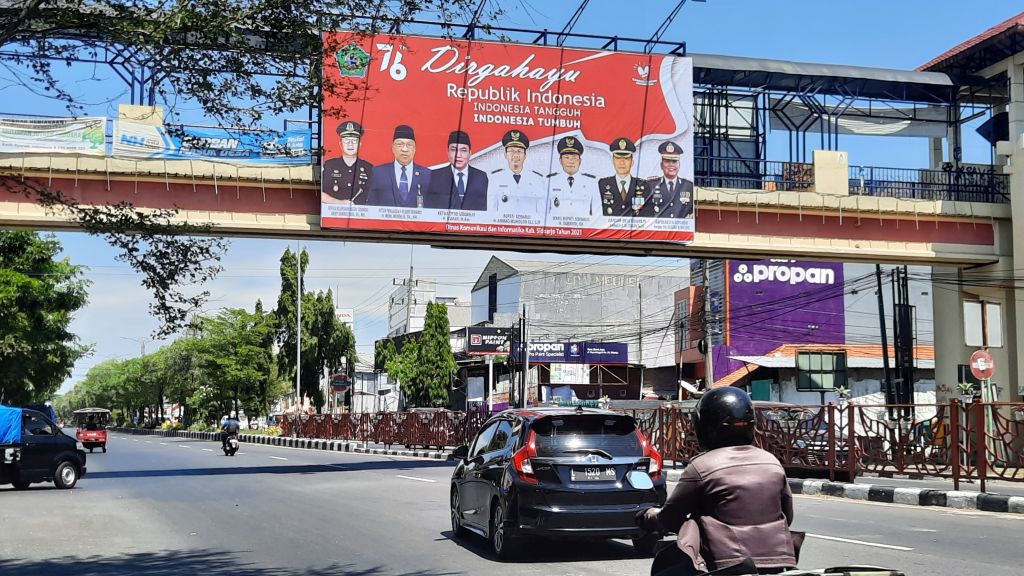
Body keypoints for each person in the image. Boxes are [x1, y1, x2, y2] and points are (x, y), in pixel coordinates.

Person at [637, 387, 797, 576]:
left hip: (724, 565)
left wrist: (647, 516)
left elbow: (670, 518)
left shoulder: (701, 466)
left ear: (704, 427)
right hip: (779, 562)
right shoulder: (771, 461)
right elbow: (788, 515)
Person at [368, 125, 431, 208]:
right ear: (393, 148)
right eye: (400, 144)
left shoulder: (427, 175)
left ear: (415, 149)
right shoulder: (378, 173)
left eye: (409, 145)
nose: (404, 149)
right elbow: (371, 205)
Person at [425, 130, 488, 211]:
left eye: (463, 150)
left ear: (470, 153)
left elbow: (483, 209)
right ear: (447, 152)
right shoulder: (435, 176)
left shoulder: (481, 177)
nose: (458, 155)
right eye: (454, 150)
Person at [489, 129, 546, 215]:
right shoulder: (495, 178)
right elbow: (491, 211)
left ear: (525, 156)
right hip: (504, 227)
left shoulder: (537, 179)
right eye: (511, 151)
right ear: (505, 155)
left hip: (528, 227)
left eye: (519, 151)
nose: (515, 155)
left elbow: (542, 213)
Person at [322, 120, 373, 205]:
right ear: (340, 144)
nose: (350, 144)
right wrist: (339, 202)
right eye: (346, 140)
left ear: (359, 145)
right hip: (332, 215)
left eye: (354, 141)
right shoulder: (329, 165)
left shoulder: (369, 168)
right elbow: (320, 193)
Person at [546, 136, 598, 220]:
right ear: (560, 160)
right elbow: (544, 212)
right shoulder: (549, 181)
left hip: (582, 228)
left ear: (580, 161)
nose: (571, 161)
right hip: (557, 228)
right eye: (566, 157)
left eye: (574, 157)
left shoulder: (592, 182)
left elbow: (596, 213)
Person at [642, 141, 694, 218]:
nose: (671, 165)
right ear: (661, 165)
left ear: (679, 164)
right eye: (667, 161)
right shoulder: (650, 185)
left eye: (674, 161)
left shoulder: (688, 186)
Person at [598, 136, 648, 217]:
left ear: (632, 162)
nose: (622, 162)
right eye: (618, 158)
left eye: (626, 158)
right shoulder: (602, 184)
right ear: (612, 161)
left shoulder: (643, 185)